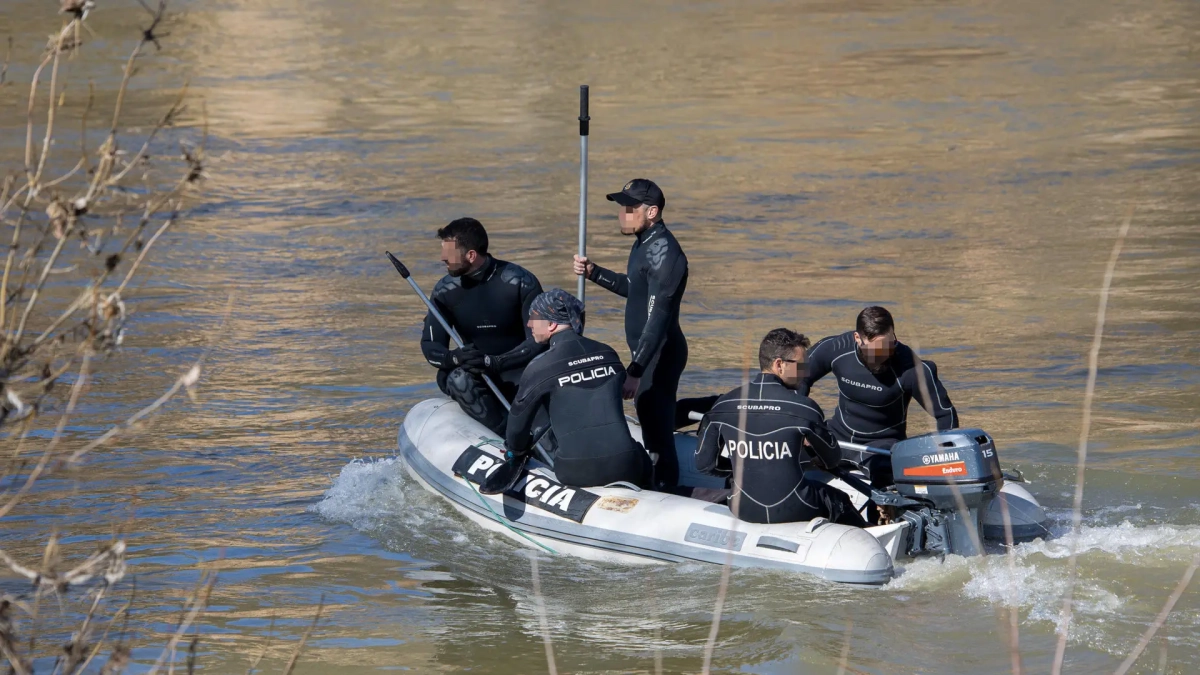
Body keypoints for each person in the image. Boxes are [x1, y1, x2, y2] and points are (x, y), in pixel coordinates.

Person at [572, 179, 689, 492]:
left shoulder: (666, 255)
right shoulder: (644, 242)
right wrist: (593, 272)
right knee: (653, 417)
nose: (622, 214)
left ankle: (664, 488)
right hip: (647, 352)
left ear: (651, 211)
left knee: (656, 431)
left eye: (630, 207)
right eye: (621, 207)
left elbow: (657, 318)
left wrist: (636, 370)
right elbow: (634, 289)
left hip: (659, 353)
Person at [695, 328, 866, 526]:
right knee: (839, 499)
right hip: (794, 507)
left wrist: (748, 466)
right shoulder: (804, 408)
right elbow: (832, 459)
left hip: (741, 508)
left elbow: (705, 465)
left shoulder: (722, 405)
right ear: (779, 365)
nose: (806, 373)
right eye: (801, 366)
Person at [504, 289, 653, 488]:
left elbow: (517, 425)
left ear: (551, 324)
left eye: (533, 317)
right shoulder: (608, 353)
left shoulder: (540, 366)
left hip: (576, 472)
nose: (529, 323)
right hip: (627, 466)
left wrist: (515, 452)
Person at [799, 306, 959, 485]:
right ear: (857, 339)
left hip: (881, 448)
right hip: (836, 440)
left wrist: (945, 461)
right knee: (784, 445)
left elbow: (945, 414)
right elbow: (799, 378)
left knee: (886, 470)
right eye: (875, 352)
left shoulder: (911, 367)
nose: (883, 356)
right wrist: (803, 425)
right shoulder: (838, 349)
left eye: (889, 347)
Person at [420, 217, 544, 434]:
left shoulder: (520, 282)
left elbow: (539, 341)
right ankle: (505, 435)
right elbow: (431, 345)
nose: (442, 258)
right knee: (456, 378)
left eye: (448, 253)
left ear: (471, 255)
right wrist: (454, 358)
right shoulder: (445, 291)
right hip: (477, 376)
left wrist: (496, 362)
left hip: (519, 372)